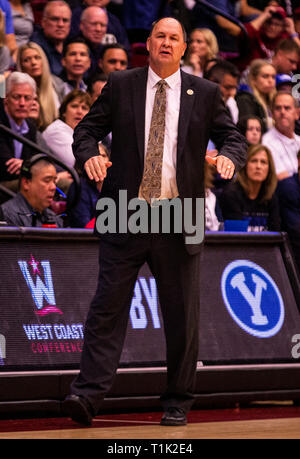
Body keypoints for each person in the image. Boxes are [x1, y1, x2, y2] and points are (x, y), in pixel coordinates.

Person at [62, 17, 247, 427]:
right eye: (159, 36)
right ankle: (86, 395)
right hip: (126, 211)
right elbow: (87, 130)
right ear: (147, 43)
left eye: (174, 38)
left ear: (184, 48)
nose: (166, 42)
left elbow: (233, 137)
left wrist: (230, 157)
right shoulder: (122, 83)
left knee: (182, 316)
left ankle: (178, 401)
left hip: (178, 214)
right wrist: (89, 152)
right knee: (106, 308)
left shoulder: (207, 92)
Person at [0, 72, 50, 187]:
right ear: (6, 98)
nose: (22, 103)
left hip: (23, 180)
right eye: (17, 97)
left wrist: (25, 165)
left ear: (33, 100)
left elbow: (41, 159)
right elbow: (6, 167)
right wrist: (29, 166)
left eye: (27, 98)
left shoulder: (30, 126)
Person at [219, 143, 281, 231]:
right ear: (245, 165)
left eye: (263, 162)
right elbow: (237, 236)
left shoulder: (270, 197)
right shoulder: (231, 194)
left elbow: (276, 234)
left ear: (269, 169)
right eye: (254, 161)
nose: (258, 166)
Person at [0, 155, 63, 227]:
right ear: (26, 183)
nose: (53, 187)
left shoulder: (54, 219)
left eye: (54, 182)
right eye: (47, 181)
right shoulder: (6, 216)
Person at [42, 89, 92, 169]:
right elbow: (78, 162)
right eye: (74, 106)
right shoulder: (56, 130)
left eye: (84, 108)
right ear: (64, 112)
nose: (79, 111)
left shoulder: (88, 132)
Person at [16, 42, 59, 131]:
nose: (33, 63)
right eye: (26, 60)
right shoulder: (15, 89)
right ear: (21, 66)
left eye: (37, 58)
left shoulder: (56, 85)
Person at [67, 143, 110, 228]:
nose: (100, 161)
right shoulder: (79, 187)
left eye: (103, 156)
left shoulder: (114, 186)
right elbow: (84, 226)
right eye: (95, 157)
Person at [262, 91, 300, 180]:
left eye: (287, 108)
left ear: (297, 114)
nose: (282, 112)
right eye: (278, 108)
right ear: (272, 114)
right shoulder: (267, 142)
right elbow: (282, 179)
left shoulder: (299, 140)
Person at [30, 0, 72, 76]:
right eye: (55, 19)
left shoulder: (72, 44)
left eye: (65, 20)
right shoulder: (35, 47)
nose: (60, 24)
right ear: (43, 22)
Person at [236, 59, 277, 132]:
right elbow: (249, 131)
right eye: (265, 76)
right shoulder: (245, 100)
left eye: (273, 77)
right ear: (253, 80)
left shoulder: (275, 100)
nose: (270, 81)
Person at [205, 59, 240, 123]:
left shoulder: (229, 108)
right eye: (228, 87)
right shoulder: (193, 107)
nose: (232, 93)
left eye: (234, 88)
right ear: (212, 82)